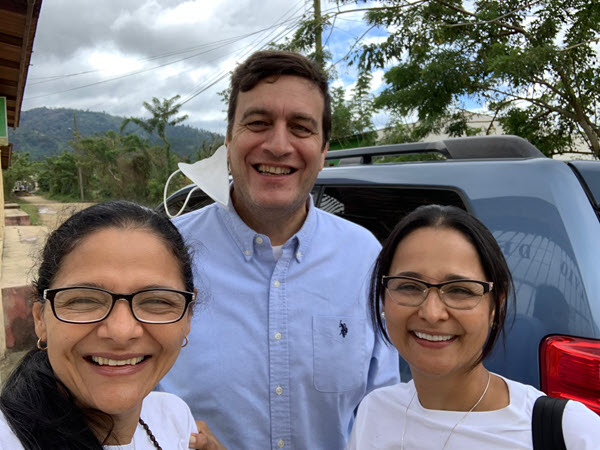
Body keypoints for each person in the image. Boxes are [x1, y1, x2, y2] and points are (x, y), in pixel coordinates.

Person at [159, 50, 400, 449]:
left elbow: (380, 413)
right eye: (258, 123)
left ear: (323, 151)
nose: (278, 145)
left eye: (302, 128)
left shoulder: (364, 257)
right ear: (229, 140)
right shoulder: (166, 254)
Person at [347, 204, 600, 449]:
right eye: (409, 286)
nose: (432, 313)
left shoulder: (569, 432)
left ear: (496, 306)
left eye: (459, 290)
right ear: (384, 297)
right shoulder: (375, 411)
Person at [0, 201, 222, 449]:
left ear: (188, 317)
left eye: (156, 301)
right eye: (84, 299)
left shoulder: (174, 418)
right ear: (40, 317)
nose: (121, 332)